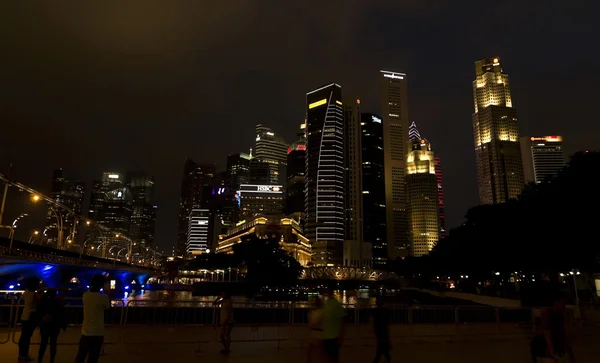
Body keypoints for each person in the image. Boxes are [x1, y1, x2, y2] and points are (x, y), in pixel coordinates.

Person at [532, 291, 577, 363]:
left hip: (555, 352)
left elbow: (564, 336)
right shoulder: (549, 315)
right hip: (548, 353)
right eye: (563, 302)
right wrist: (553, 354)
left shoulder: (560, 316)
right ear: (556, 302)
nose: (564, 305)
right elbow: (547, 337)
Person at [75, 274, 111, 363]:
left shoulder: (85, 295)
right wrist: (108, 293)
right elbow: (107, 307)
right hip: (98, 333)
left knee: (80, 357)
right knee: (93, 358)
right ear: (102, 285)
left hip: (86, 332)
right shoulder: (103, 298)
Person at [37, 289, 67, 363]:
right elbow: (62, 314)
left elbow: (38, 311)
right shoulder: (58, 303)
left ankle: (40, 359)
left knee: (43, 343)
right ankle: (51, 360)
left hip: (45, 325)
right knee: (53, 344)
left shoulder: (43, 301)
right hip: (55, 325)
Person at [19, 277, 41, 362]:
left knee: (24, 337)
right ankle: (24, 355)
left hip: (25, 316)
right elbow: (38, 301)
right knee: (26, 337)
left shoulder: (26, 292)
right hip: (29, 317)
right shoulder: (32, 294)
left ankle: (22, 354)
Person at [321, 285, 345, 363]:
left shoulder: (335, 304)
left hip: (334, 337)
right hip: (327, 336)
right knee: (329, 357)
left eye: (326, 291)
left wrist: (341, 337)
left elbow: (342, 321)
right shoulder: (327, 303)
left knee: (333, 358)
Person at [371, 297, 391, 363]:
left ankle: (377, 360)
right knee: (383, 346)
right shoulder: (386, 311)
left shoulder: (376, 311)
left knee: (381, 347)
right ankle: (387, 358)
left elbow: (374, 322)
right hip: (383, 330)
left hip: (379, 331)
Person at [306, 296, 324, 363]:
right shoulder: (321, 312)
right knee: (319, 353)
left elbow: (312, 323)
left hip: (315, 333)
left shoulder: (315, 312)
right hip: (318, 333)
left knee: (310, 352)